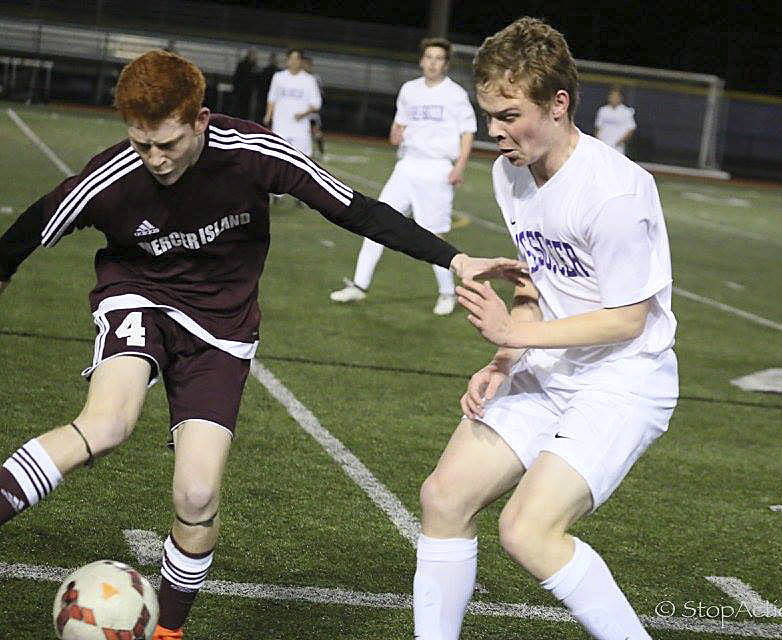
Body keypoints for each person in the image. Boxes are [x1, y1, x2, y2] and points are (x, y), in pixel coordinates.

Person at [0, 50, 521, 640]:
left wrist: (454, 258)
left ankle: (167, 631)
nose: (155, 159)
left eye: (168, 143)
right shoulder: (115, 176)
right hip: (140, 298)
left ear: (200, 119)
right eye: (142, 144)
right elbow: (29, 229)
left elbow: (354, 210)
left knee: (197, 496)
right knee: (108, 424)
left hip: (223, 327)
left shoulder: (252, 152)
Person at [412, 17, 678, 640]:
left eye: (509, 115)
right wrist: (504, 360)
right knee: (444, 498)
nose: (494, 131)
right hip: (549, 366)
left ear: (558, 104)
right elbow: (538, 279)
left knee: (527, 531)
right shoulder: (510, 170)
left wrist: (514, 336)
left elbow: (628, 319)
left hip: (624, 379)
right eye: (489, 116)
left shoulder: (614, 192)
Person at [329, 38, 477, 316]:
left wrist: (459, 167)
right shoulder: (409, 89)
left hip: (437, 170)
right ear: (421, 60)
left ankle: (447, 293)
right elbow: (398, 128)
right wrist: (395, 135)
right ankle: (359, 285)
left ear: (446, 64)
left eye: (439, 58)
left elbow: (467, 132)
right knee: (376, 223)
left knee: (434, 236)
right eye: (429, 57)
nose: (433, 63)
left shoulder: (455, 94)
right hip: (406, 166)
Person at [263, 48, 320, 159]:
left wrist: (303, 114)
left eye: (297, 59)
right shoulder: (278, 77)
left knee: (305, 158)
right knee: (277, 156)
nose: (294, 61)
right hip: (280, 125)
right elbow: (272, 98)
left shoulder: (309, 80)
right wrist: (268, 115)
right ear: (287, 60)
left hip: (300, 126)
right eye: (291, 58)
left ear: (301, 61)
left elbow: (316, 103)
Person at [594, 86, 636, 155]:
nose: (613, 98)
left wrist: (620, 141)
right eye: (612, 96)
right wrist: (598, 141)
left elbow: (631, 128)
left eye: (616, 96)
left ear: (620, 98)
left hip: (617, 147)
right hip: (603, 145)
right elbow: (598, 127)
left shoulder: (626, 111)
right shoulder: (603, 110)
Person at [301, 55, 325, 159]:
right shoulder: (298, 78)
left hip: (311, 111)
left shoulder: (315, 78)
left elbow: (319, 95)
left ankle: (321, 152)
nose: (305, 66)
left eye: (307, 64)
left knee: (316, 132)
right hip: (300, 110)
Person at [230, 49, 258, 120]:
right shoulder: (248, 66)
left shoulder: (252, 66)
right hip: (242, 90)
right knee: (241, 107)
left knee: (241, 107)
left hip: (244, 91)